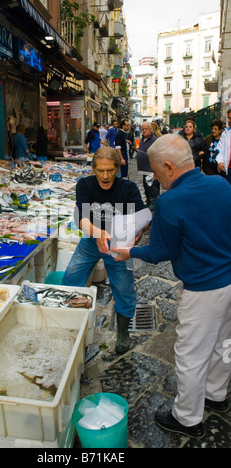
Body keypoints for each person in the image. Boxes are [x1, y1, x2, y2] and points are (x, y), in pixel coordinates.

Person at [112, 134, 231, 439]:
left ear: (168, 166)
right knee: (223, 345)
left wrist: (129, 252)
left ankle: (187, 418)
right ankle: (216, 395)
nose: (154, 178)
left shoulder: (169, 200)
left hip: (203, 290)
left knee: (191, 356)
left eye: (154, 171)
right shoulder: (221, 184)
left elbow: (160, 252)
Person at [61, 146, 146, 355]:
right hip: (92, 239)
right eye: (100, 170)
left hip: (118, 243)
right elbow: (81, 218)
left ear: (117, 168)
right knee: (71, 277)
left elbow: (143, 216)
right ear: (93, 169)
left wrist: (138, 232)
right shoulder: (85, 184)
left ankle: (123, 332)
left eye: (110, 170)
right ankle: (69, 324)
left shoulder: (128, 188)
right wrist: (98, 233)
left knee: (124, 288)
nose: (105, 176)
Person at [137, 122, 159, 210]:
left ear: (151, 130)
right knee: (146, 187)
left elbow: (158, 156)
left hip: (151, 170)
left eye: (146, 129)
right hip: (144, 169)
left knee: (152, 188)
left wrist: (156, 172)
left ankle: (153, 204)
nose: (144, 131)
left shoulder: (154, 140)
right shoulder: (143, 139)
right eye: (143, 129)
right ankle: (149, 201)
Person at [216, 106, 231, 184]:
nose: (228, 120)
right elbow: (220, 149)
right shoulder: (226, 133)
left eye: (230, 118)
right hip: (229, 169)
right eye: (228, 118)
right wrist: (220, 161)